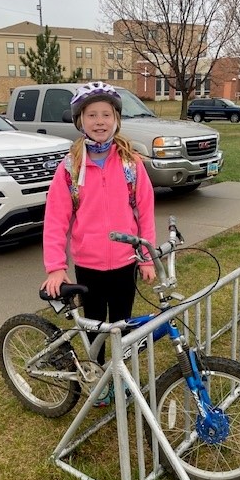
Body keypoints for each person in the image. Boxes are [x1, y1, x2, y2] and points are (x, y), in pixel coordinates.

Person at [41, 81, 156, 405]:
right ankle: (100, 378)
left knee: (122, 324)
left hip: (124, 263)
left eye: (106, 114)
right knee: (94, 327)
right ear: (81, 121)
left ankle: (119, 375)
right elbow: (56, 219)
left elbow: (144, 213)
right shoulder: (70, 167)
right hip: (89, 264)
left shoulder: (131, 164)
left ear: (116, 119)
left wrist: (146, 258)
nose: (100, 121)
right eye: (92, 115)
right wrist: (55, 267)